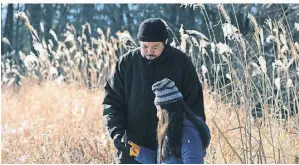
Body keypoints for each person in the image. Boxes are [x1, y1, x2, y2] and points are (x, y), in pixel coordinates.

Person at [102, 17, 206, 164]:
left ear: (165, 42)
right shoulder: (126, 63)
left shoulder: (181, 63)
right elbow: (111, 101)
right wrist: (117, 133)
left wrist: (189, 139)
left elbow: (194, 106)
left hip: (170, 148)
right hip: (132, 147)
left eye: (155, 47)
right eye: (145, 46)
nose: (149, 51)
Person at [128, 78, 210, 164]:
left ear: (167, 112)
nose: (157, 114)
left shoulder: (189, 135)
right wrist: (141, 153)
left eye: (158, 110)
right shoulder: (171, 132)